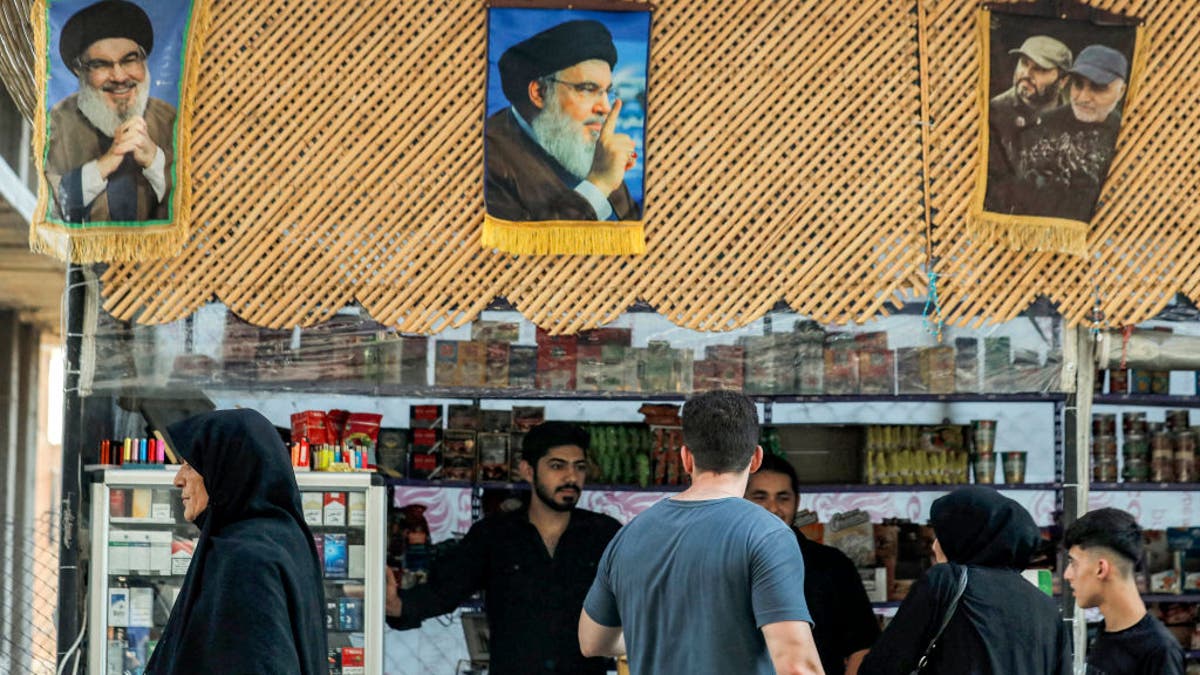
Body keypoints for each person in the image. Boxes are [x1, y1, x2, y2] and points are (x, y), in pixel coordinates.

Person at [579, 390, 824, 675]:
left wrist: (660, 637)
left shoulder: (629, 535)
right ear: (756, 458)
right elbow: (797, 666)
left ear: (686, 458)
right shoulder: (768, 535)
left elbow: (591, 641)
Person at [384, 421, 621, 675]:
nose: (571, 477)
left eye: (579, 467)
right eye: (557, 466)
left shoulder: (605, 535)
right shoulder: (494, 536)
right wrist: (397, 605)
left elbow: (641, 598)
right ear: (528, 471)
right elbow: (443, 591)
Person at [145, 409, 327, 674]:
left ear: (226, 468)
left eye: (190, 465)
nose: (178, 479)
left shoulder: (248, 559)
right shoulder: (284, 541)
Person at [859, 486, 1071, 675]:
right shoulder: (1047, 609)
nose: (934, 547)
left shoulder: (945, 582)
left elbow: (882, 666)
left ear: (965, 537)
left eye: (941, 536)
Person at [486, 19, 641, 222]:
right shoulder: (490, 154)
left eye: (607, 92)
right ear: (540, 93)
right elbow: (538, 245)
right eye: (587, 89)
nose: (605, 108)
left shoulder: (594, 148)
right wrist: (599, 183)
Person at [746, 453, 880, 675]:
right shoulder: (725, 563)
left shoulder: (833, 566)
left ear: (797, 502)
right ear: (742, 501)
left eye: (783, 497)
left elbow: (862, 647)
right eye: (760, 497)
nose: (773, 508)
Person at [46, 0, 176, 223]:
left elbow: (195, 202)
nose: (119, 76)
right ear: (80, 71)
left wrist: (155, 161)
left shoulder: (169, 119)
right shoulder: (57, 123)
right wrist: (103, 166)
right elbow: (51, 203)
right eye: (101, 64)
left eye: (130, 60)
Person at [1010, 44, 1129, 222]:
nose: (1082, 98)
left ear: (1121, 92)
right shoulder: (1041, 127)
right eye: (1078, 85)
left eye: (1098, 87)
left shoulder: (1128, 136)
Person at [1064, 508, 1184, 675]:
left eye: (1074, 563)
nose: (1067, 575)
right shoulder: (1104, 632)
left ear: (1101, 569)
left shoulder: (1160, 651)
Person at [984, 35, 1072, 212]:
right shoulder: (994, 113)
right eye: (1024, 63)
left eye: (1040, 69)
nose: (1027, 74)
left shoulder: (1073, 121)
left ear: (1063, 81)